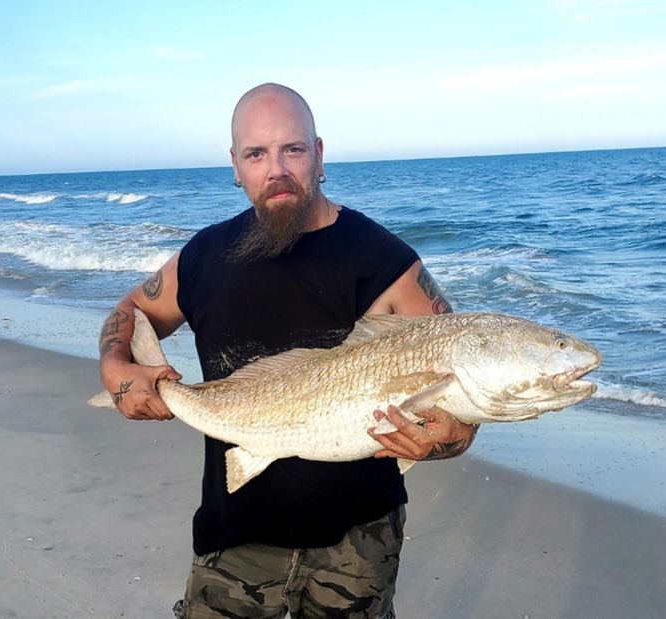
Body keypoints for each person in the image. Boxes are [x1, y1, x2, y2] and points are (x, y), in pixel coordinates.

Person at [99, 83, 479, 619]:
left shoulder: (386, 262)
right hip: (233, 537)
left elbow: (460, 396)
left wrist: (451, 438)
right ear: (235, 165)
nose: (276, 170)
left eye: (292, 150)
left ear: (319, 154)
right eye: (257, 154)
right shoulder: (204, 257)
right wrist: (117, 368)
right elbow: (132, 313)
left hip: (358, 547)